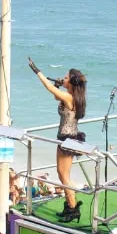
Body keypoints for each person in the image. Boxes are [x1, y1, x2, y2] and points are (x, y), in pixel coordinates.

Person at [28, 57, 87, 223]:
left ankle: (73, 208)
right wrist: (59, 85)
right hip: (65, 138)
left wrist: (37, 71)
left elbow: (49, 88)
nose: (63, 78)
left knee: (64, 176)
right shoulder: (71, 96)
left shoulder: (70, 98)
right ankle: (70, 205)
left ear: (72, 83)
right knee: (62, 175)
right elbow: (56, 96)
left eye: (66, 77)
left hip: (67, 139)